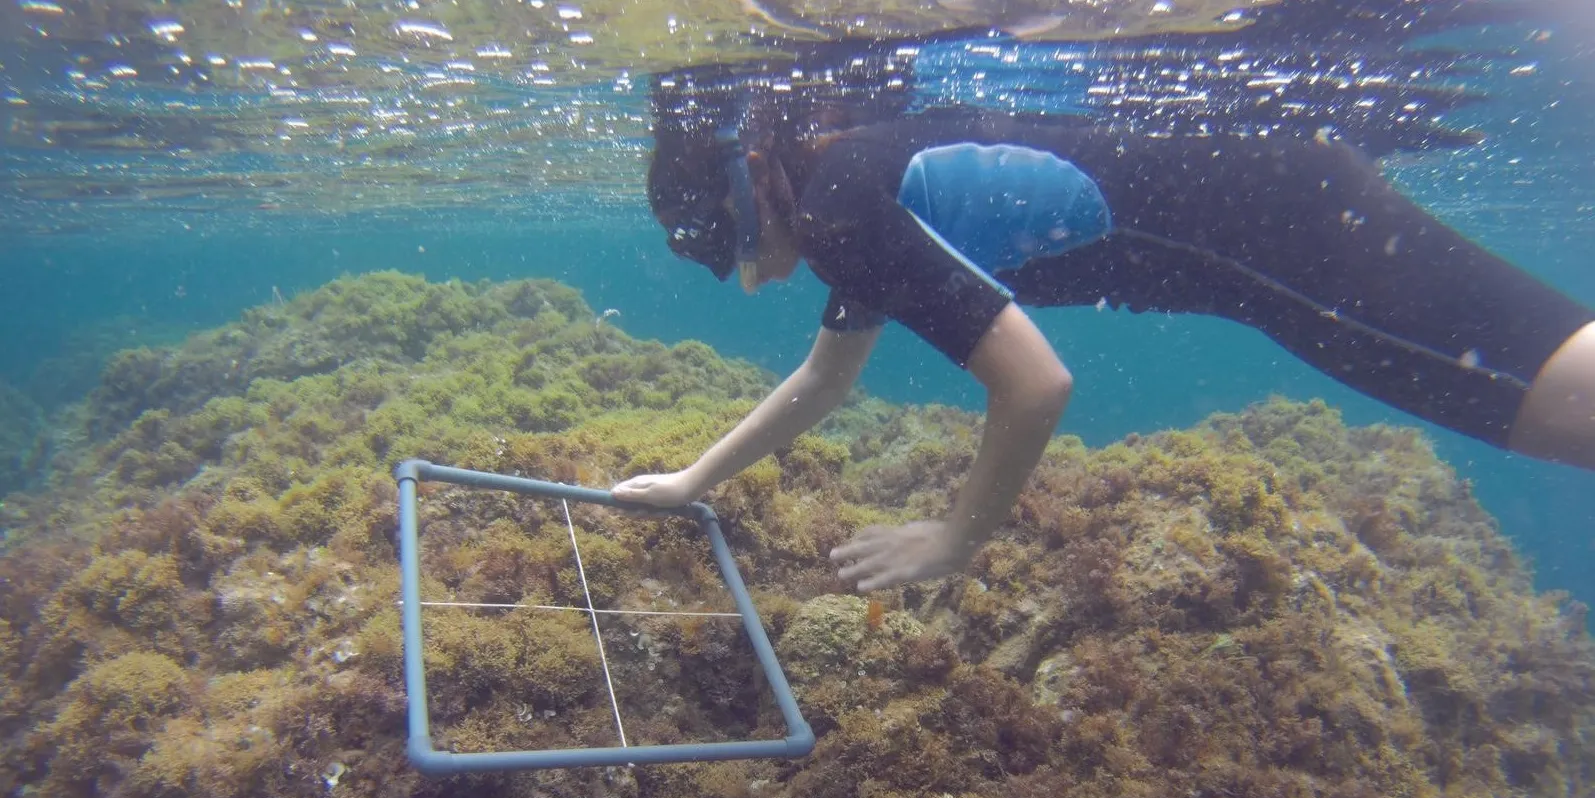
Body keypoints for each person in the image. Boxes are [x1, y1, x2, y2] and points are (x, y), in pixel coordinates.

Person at [611, 99, 1595, 594]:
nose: (740, 274)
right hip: (1272, 215)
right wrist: (692, 480)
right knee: (1545, 391)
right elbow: (825, 379)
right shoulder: (842, 190)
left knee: (1549, 403)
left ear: (748, 186)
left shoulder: (838, 213)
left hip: (1280, 234)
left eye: (720, 245)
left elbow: (1035, 388)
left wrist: (955, 540)